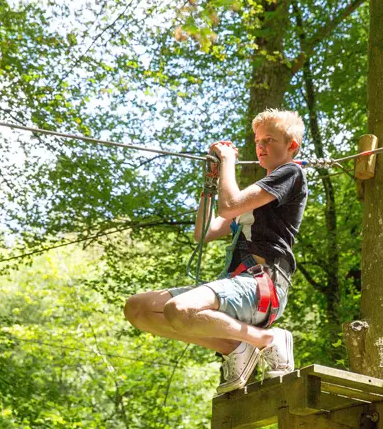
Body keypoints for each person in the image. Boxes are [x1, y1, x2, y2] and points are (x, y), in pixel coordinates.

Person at [123, 109, 308, 393]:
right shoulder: (256, 196)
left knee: (179, 309)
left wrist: (228, 161)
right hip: (237, 285)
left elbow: (229, 206)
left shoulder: (291, 173)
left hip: (261, 286)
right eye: (258, 141)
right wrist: (209, 185)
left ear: (291, 145)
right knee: (138, 309)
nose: (260, 146)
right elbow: (204, 232)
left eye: (269, 140)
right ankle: (235, 346)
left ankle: (267, 339)